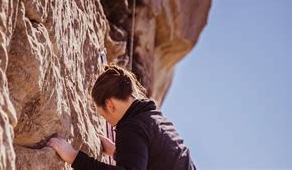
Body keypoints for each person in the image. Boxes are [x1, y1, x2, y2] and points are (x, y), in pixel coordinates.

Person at [47, 64, 196, 170]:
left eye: (103, 115)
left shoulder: (131, 127)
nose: (108, 122)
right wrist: (116, 151)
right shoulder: (152, 117)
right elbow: (155, 157)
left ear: (109, 104)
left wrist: (74, 157)